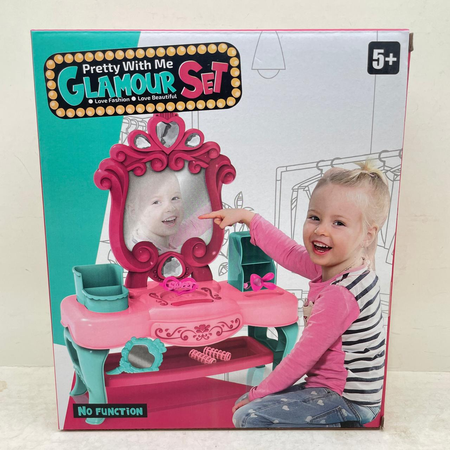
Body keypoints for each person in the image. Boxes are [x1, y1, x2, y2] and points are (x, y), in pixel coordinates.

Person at [199, 161, 391, 428]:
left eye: (338, 223)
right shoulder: (349, 266)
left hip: (346, 400)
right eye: (315, 218)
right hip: (334, 390)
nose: (321, 230)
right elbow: (288, 252)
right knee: (257, 404)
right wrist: (247, 217)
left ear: (368, 235)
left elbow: (302, 358)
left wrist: (257, 393)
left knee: (248, 415)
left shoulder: (340, 294)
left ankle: (339, 433)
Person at [124, 169, 184, 254]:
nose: (170, 208)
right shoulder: (143, 253)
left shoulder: (168, 234)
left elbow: (195, 224)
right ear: (134, 212)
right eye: (156, 202)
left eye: (175, 198)